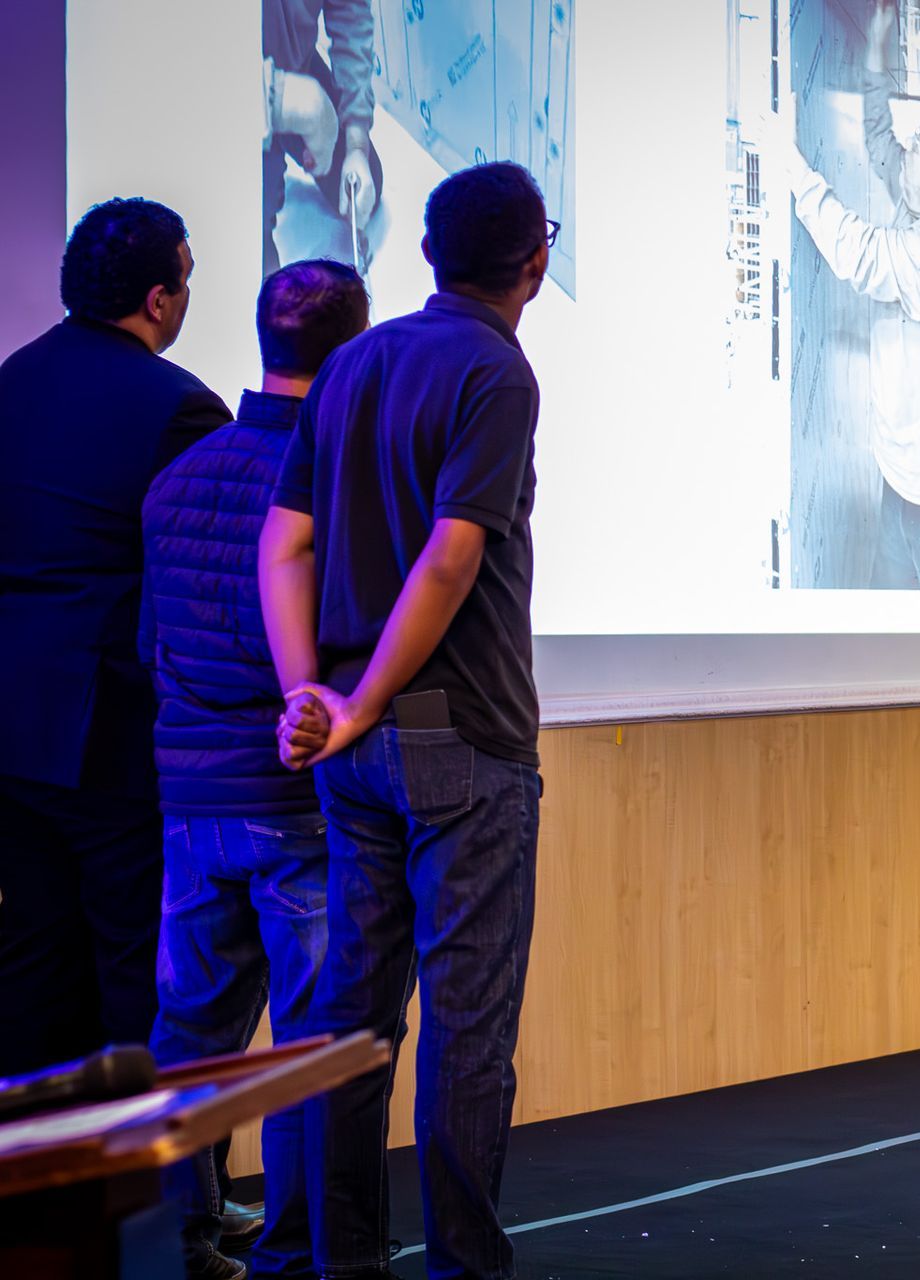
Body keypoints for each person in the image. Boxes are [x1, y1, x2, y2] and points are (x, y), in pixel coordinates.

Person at [261, 161, 548, 1280]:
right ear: (536, 260)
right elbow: (451, 552)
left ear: (427, 253)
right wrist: (370, 694)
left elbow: (282, 543)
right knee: (468, 1027)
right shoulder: (497, 369)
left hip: (351, 744)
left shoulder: (351, 362)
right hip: (455, 729)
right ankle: (466, 1267)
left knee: (353, 1017)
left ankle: (346, 1261)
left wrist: (315, 697)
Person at [144, 260, 369, 1279]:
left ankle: (178, 1238)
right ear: (356, 351)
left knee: (189, 1030)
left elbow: (155, 642)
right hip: (294, 800)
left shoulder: (176, 478)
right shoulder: (340, 486)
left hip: (191, 801)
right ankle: (299, 1245)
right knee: (309, 1039)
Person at [0, 198, 230, 1078]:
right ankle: (157, 1208)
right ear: (161, 298)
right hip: (105, 731)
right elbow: (204, 583)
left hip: (12, 725)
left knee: (29, 954)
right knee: (138, 964)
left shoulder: (13, 378)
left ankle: (37, 1188)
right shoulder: (178, 408)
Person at [781, 0, 920, 589]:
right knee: (892, 611)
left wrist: (791, 170)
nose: (910, 140)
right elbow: (877, 137)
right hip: (901, 475)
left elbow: (858, 252)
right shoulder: (917, 198)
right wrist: (875, 47)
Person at [263, 0, 383, 273]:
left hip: (295, 63)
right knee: (255, 252)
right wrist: (279, 99)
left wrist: (356, 145)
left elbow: (349, 13)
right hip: (231, 97)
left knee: (367, 183)